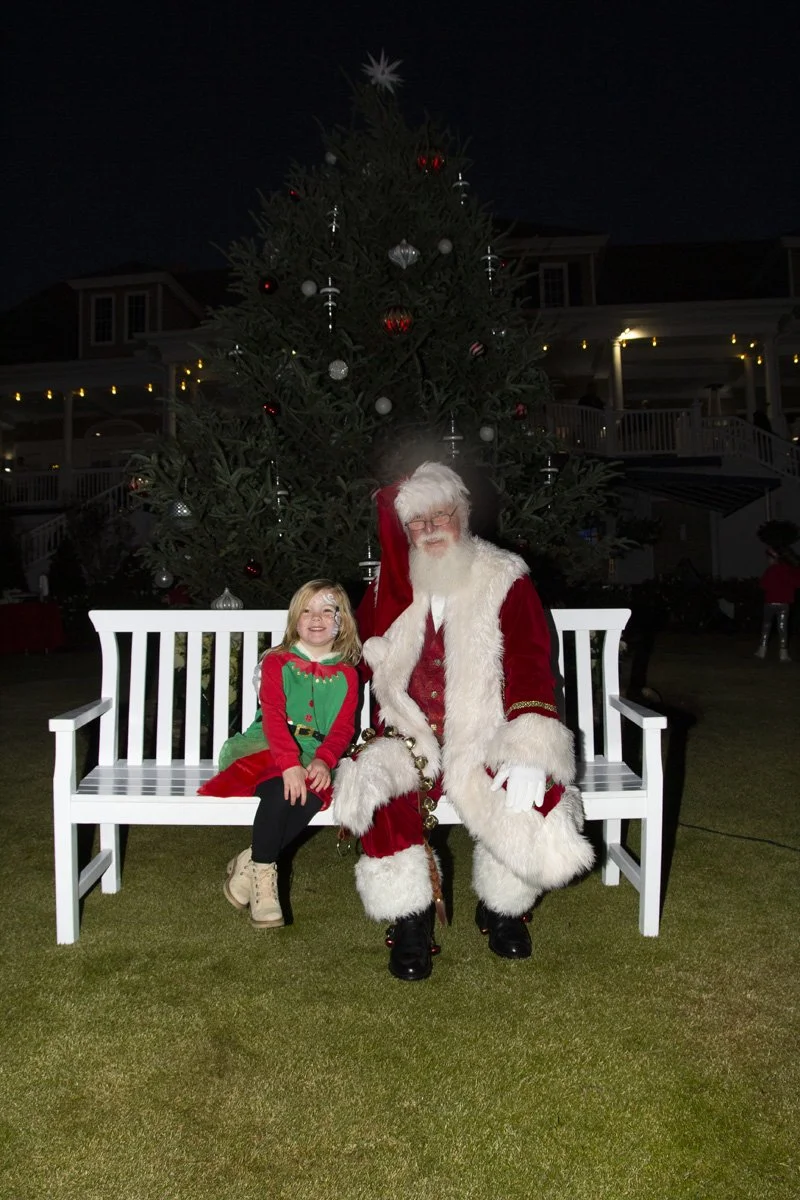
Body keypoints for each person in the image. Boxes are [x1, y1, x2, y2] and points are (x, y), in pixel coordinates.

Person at [333, 462, 594, 981]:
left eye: (440, 516)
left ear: (464, 516)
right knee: (375, 784)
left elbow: (528, 663)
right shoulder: (393, 582)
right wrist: (301, 665)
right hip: (413, 733)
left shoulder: (505, 578)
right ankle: (409, 919)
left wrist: (527, 750)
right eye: (417, 522)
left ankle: (503, 909)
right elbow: (355, 656)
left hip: (486, 735)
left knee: (527, 795)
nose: (429, 530)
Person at [199, 580, 361, 928]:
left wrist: (324, 759)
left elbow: (344, 729)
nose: (315, 618)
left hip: (315, 754)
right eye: (306, 610)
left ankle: (249, 861)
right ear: (295, 619)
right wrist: (289, 763)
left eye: (326, 611)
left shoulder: (348, 675)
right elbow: (272, 715)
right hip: (267, 745)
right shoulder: (278, 662)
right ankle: (264, 882)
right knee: (280, 788)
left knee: (313, 794)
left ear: (341, 621)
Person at [755, 548, 800, 663]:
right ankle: (783, 653)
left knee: (766, 626)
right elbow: (796, 583)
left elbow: (763, 585)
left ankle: (762, 650)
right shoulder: (789, 571)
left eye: (769, 558)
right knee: (782, 628)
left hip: (770, 602)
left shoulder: (770, 571)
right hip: (784, 604)